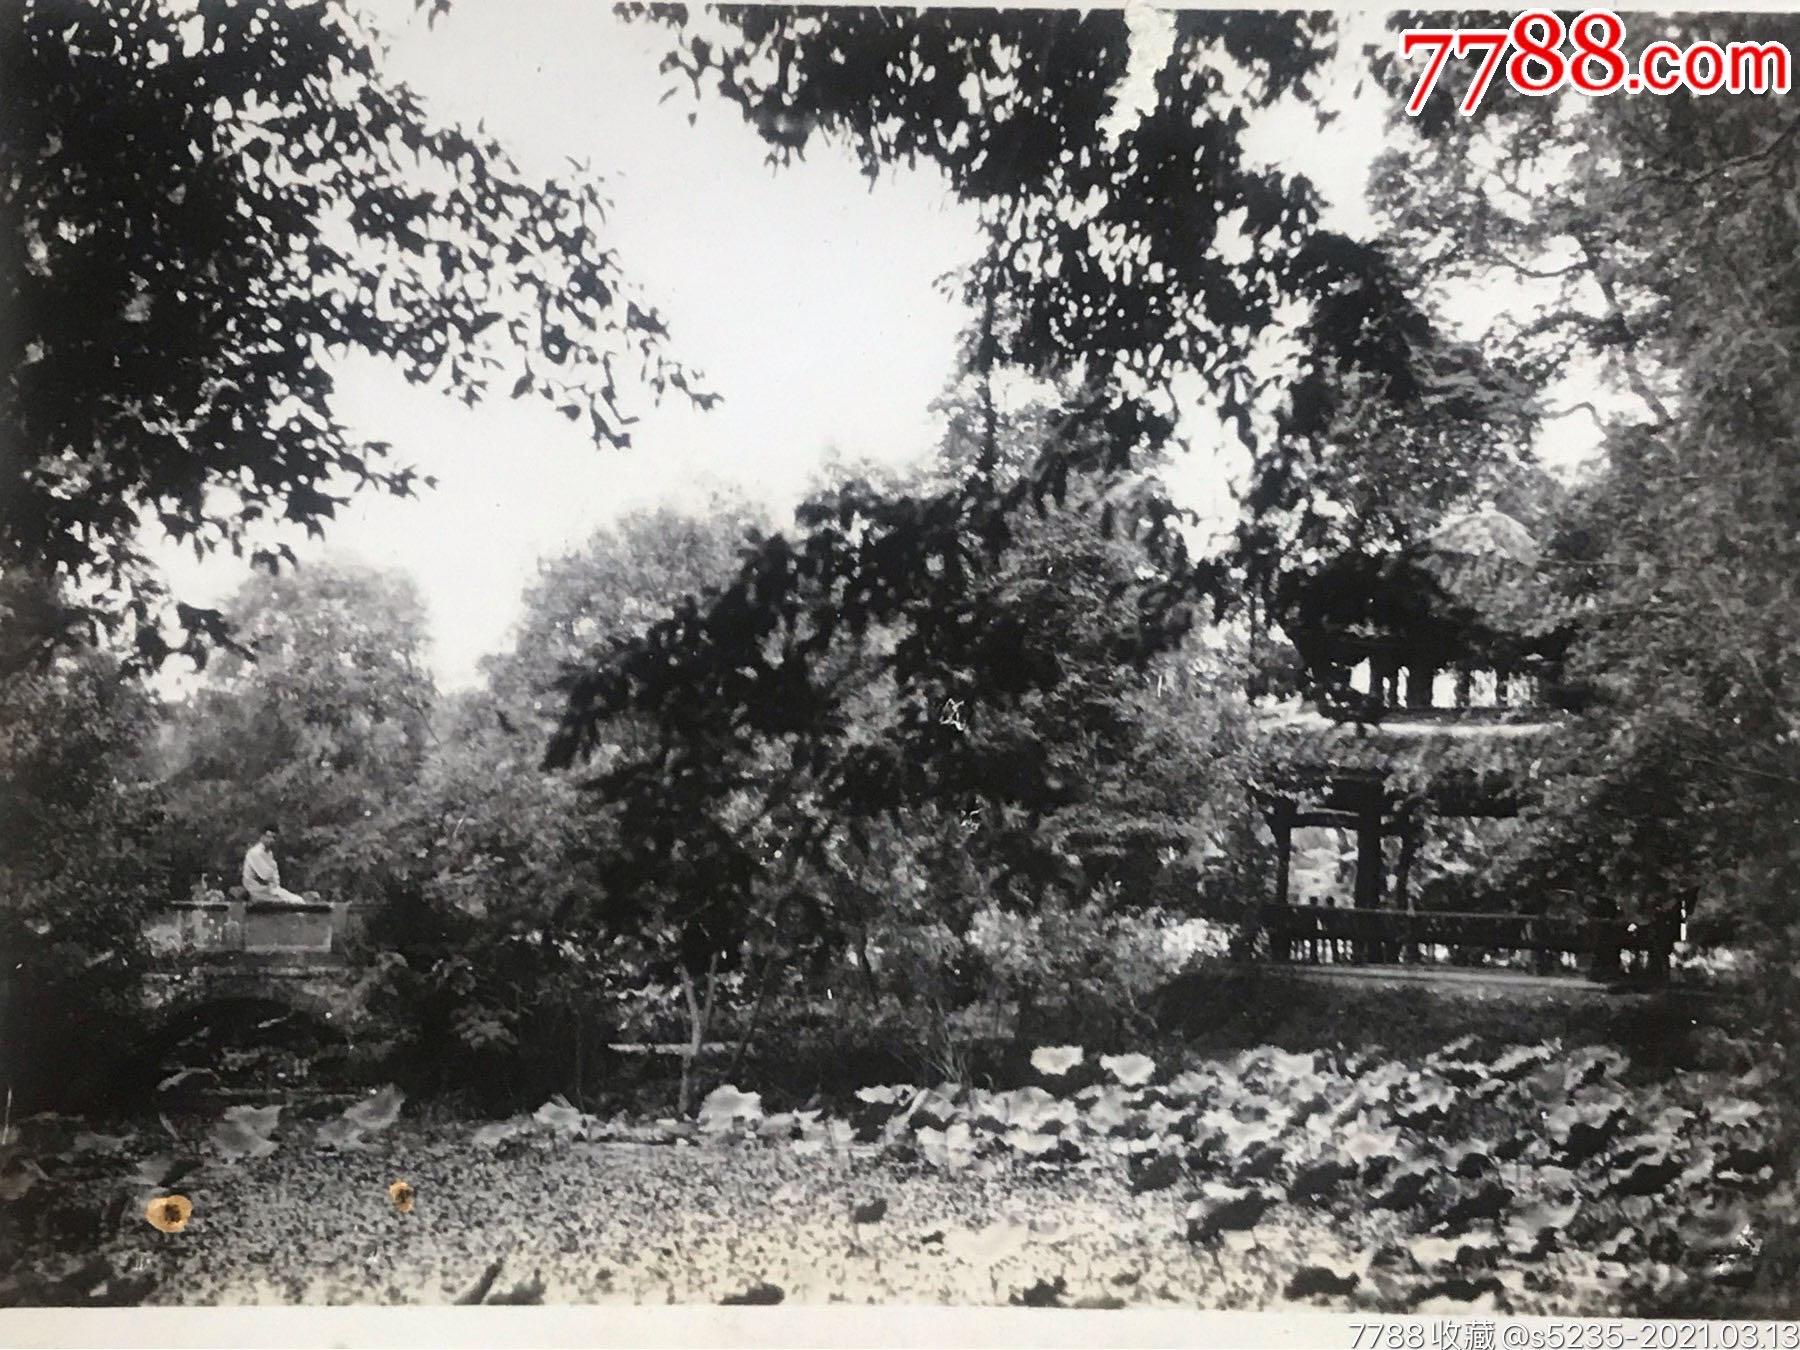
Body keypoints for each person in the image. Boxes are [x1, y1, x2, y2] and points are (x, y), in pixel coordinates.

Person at [242, 826, 308, 906]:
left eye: (273, 838)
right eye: (268, 837)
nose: (271, 840)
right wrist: (273, 881)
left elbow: (274, 878)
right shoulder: (255, 853)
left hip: (269, 890)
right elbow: (266, 876)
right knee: (295, 902)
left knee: (298, 900)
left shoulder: (269, 853)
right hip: (257, 891)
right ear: (262, 837)